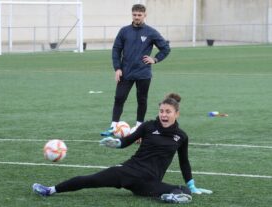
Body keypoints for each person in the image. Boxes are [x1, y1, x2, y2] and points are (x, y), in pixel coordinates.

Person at [32, 93, 212, 204]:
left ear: (176, 113)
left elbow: (184, 162)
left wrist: (192, 185)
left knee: (184, 191)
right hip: (129, 171)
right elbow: (127, 141)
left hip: (148, 181)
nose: (164, 115)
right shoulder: (148, 126)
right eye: (161, 111)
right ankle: (50, 190)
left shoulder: (181, 136)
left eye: (168, 112)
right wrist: (116, 143)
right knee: (90, 179)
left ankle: (172, 198)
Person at [101, 4, 171, 136]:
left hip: (143, 73)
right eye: (135, 15)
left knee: (142, 100)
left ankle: (139, 128)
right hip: (125, 72)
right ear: (132, 15)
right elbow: (116, 50)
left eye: (139, 15)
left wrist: (155, 59)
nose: (137, 17)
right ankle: (113, 126)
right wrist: (117, 68)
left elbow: (165, 48)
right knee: (119, 98)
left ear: (145, 15)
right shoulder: (124, 31)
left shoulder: (151, 32)